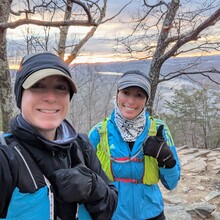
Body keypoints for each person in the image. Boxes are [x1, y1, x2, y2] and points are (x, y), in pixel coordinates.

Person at [0, 52, 118, 220]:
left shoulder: (82, 145)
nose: (50, 97)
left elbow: (110, 207)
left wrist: (93, 187)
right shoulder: (6, 158)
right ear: (20, 96)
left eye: (61, 87)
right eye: (38, 86)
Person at [86, 70, 181, 220]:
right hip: (112, 214)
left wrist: (166, 159)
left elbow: (172, 183)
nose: (131, 101)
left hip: (152, 214)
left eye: (139, 95)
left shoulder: (158, 131)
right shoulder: (98, 133)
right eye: (126, 92)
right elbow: (86, 180)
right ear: (117, 94)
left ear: (146, 100)